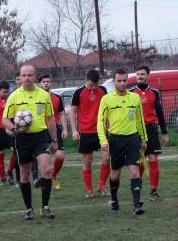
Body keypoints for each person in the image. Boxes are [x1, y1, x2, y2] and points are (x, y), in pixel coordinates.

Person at [2, 64, 58, 220]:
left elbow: (50, 119)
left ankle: (45, 207)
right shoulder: (14, 96)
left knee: (46, 170)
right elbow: (4, 119)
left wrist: (54, 140)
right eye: (24, 75)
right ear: (20, 77)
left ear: (35, 76)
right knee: (25, 175)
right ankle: (29, 209)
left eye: (30, 75)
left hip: (40, 136)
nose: (27, 78)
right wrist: (14, 130)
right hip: (22, 139)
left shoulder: (44, 95)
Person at [97, 68, 148, 215]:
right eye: (119, 81)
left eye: (124, 80)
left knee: (134, 171)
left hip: (132, 139)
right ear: (114, 81)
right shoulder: (107, 99)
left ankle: (136, 205)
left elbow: (140, 120)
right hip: (115, 140)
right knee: (115, 174)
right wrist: (103, 140)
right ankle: (114, 200)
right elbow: (100, 121)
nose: (122, 83)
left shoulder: (135, 98)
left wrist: (144, 138)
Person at [130, 66, 169, 201]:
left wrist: (164, 132)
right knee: (139, 162)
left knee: (153, 159)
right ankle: (137, 188)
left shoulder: (154, 92)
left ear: (148, 75)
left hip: (151, 130)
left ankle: (153, 191)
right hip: (135, 131)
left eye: (142, 74)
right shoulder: (131, 92)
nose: (139, 76)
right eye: (138, 74)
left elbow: (160, 113)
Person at [70, 69, 110, 198]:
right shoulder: (78, 92)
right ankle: (89, 190)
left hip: (101, 131)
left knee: (106, 158)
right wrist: (74, 130)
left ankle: (102, 186)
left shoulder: (103, 90)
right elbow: (72, 112)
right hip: (86, 131)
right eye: (91, 84)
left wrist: (109, 124)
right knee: (88, 161)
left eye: (96, 85)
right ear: (86, 79)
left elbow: (108, 109)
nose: (94, 87)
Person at [38, 74, 68, 190]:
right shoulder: (37, 98)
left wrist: (65, 129)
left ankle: (53, 175)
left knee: (60, 156)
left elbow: (61, 114)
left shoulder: (57, 98)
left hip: (55, 129)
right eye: (44, 81)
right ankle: (44, 179)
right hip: (41, 130)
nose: (46, 83)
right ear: (39, 84)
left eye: (48, 81)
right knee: (44, 159)